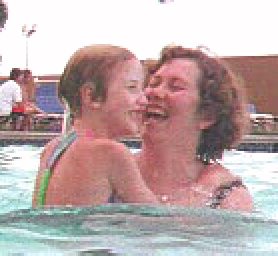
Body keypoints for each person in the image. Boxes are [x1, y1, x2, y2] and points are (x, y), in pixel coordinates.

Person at [32, 44, 158, 207]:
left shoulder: (52, 149)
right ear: (91, 96)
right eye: (131, 88)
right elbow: (158, 218)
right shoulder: (111, 152)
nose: (143, 100)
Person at [136, 45, 253, 212]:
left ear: (207, 116)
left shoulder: (225, 196)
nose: (155, 93)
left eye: (175, 87)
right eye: (154, 83)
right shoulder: (109, 169)